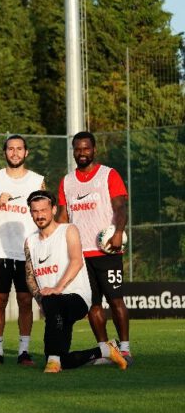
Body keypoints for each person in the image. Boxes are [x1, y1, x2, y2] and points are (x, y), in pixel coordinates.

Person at [24, 190, 127, 373]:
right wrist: (40, 300)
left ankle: (53, 361)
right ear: (31, 213)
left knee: (52, 301)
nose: (40, 215)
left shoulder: (68, 230)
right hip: (53, 305)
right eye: (35, 211)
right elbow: (30, 275)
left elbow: (77, 261)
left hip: (77, 298)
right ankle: (106, 350)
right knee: (59, 358)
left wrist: (57, 288)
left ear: (53, 210)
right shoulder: (30, 241)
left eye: (44, 210)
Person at [57, 131, 133, 365]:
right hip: (79, 255)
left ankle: (125, 349)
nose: (82, 153)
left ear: (94, 150)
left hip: (107, 251)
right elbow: (63, 217)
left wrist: (118, 233)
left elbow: (120, 208)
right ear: (73, 151)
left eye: (86, 148)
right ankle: (105, 350)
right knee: (93, 304)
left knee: (116, 300)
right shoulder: (67, 182)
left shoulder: (108, 175)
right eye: (78, 149)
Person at [0, 135, 45, 366]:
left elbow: (45, 215)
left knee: (25, 301)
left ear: (26, 152)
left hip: (27, 251)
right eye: (10, 149)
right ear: (4, 152)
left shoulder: (37, 181)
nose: (15, 153)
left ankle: (23, 352)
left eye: (19, 149)